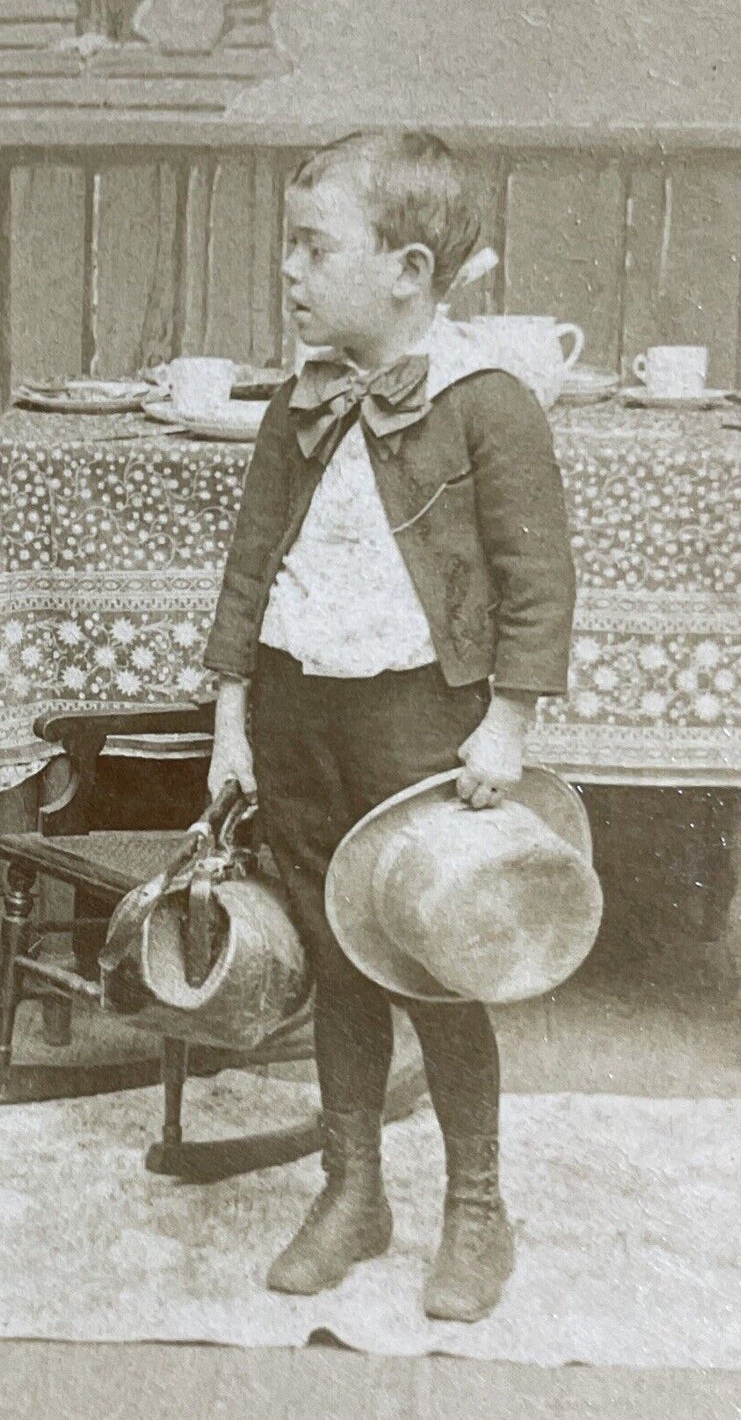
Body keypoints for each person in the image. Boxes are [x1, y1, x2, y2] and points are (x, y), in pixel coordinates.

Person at [204, 130, 576, 1322]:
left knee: (436, 955)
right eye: (287, 248)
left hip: (425, 716)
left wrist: (504, 722)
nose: (289, 273)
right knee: (333, 947)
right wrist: (230, 717)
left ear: (409, 270)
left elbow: (536, 582)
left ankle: (475, 1206)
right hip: (297, 705)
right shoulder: (298, 404)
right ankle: (351, 1187)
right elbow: (247, 569)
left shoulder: (487, 406)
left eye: (313, 248)